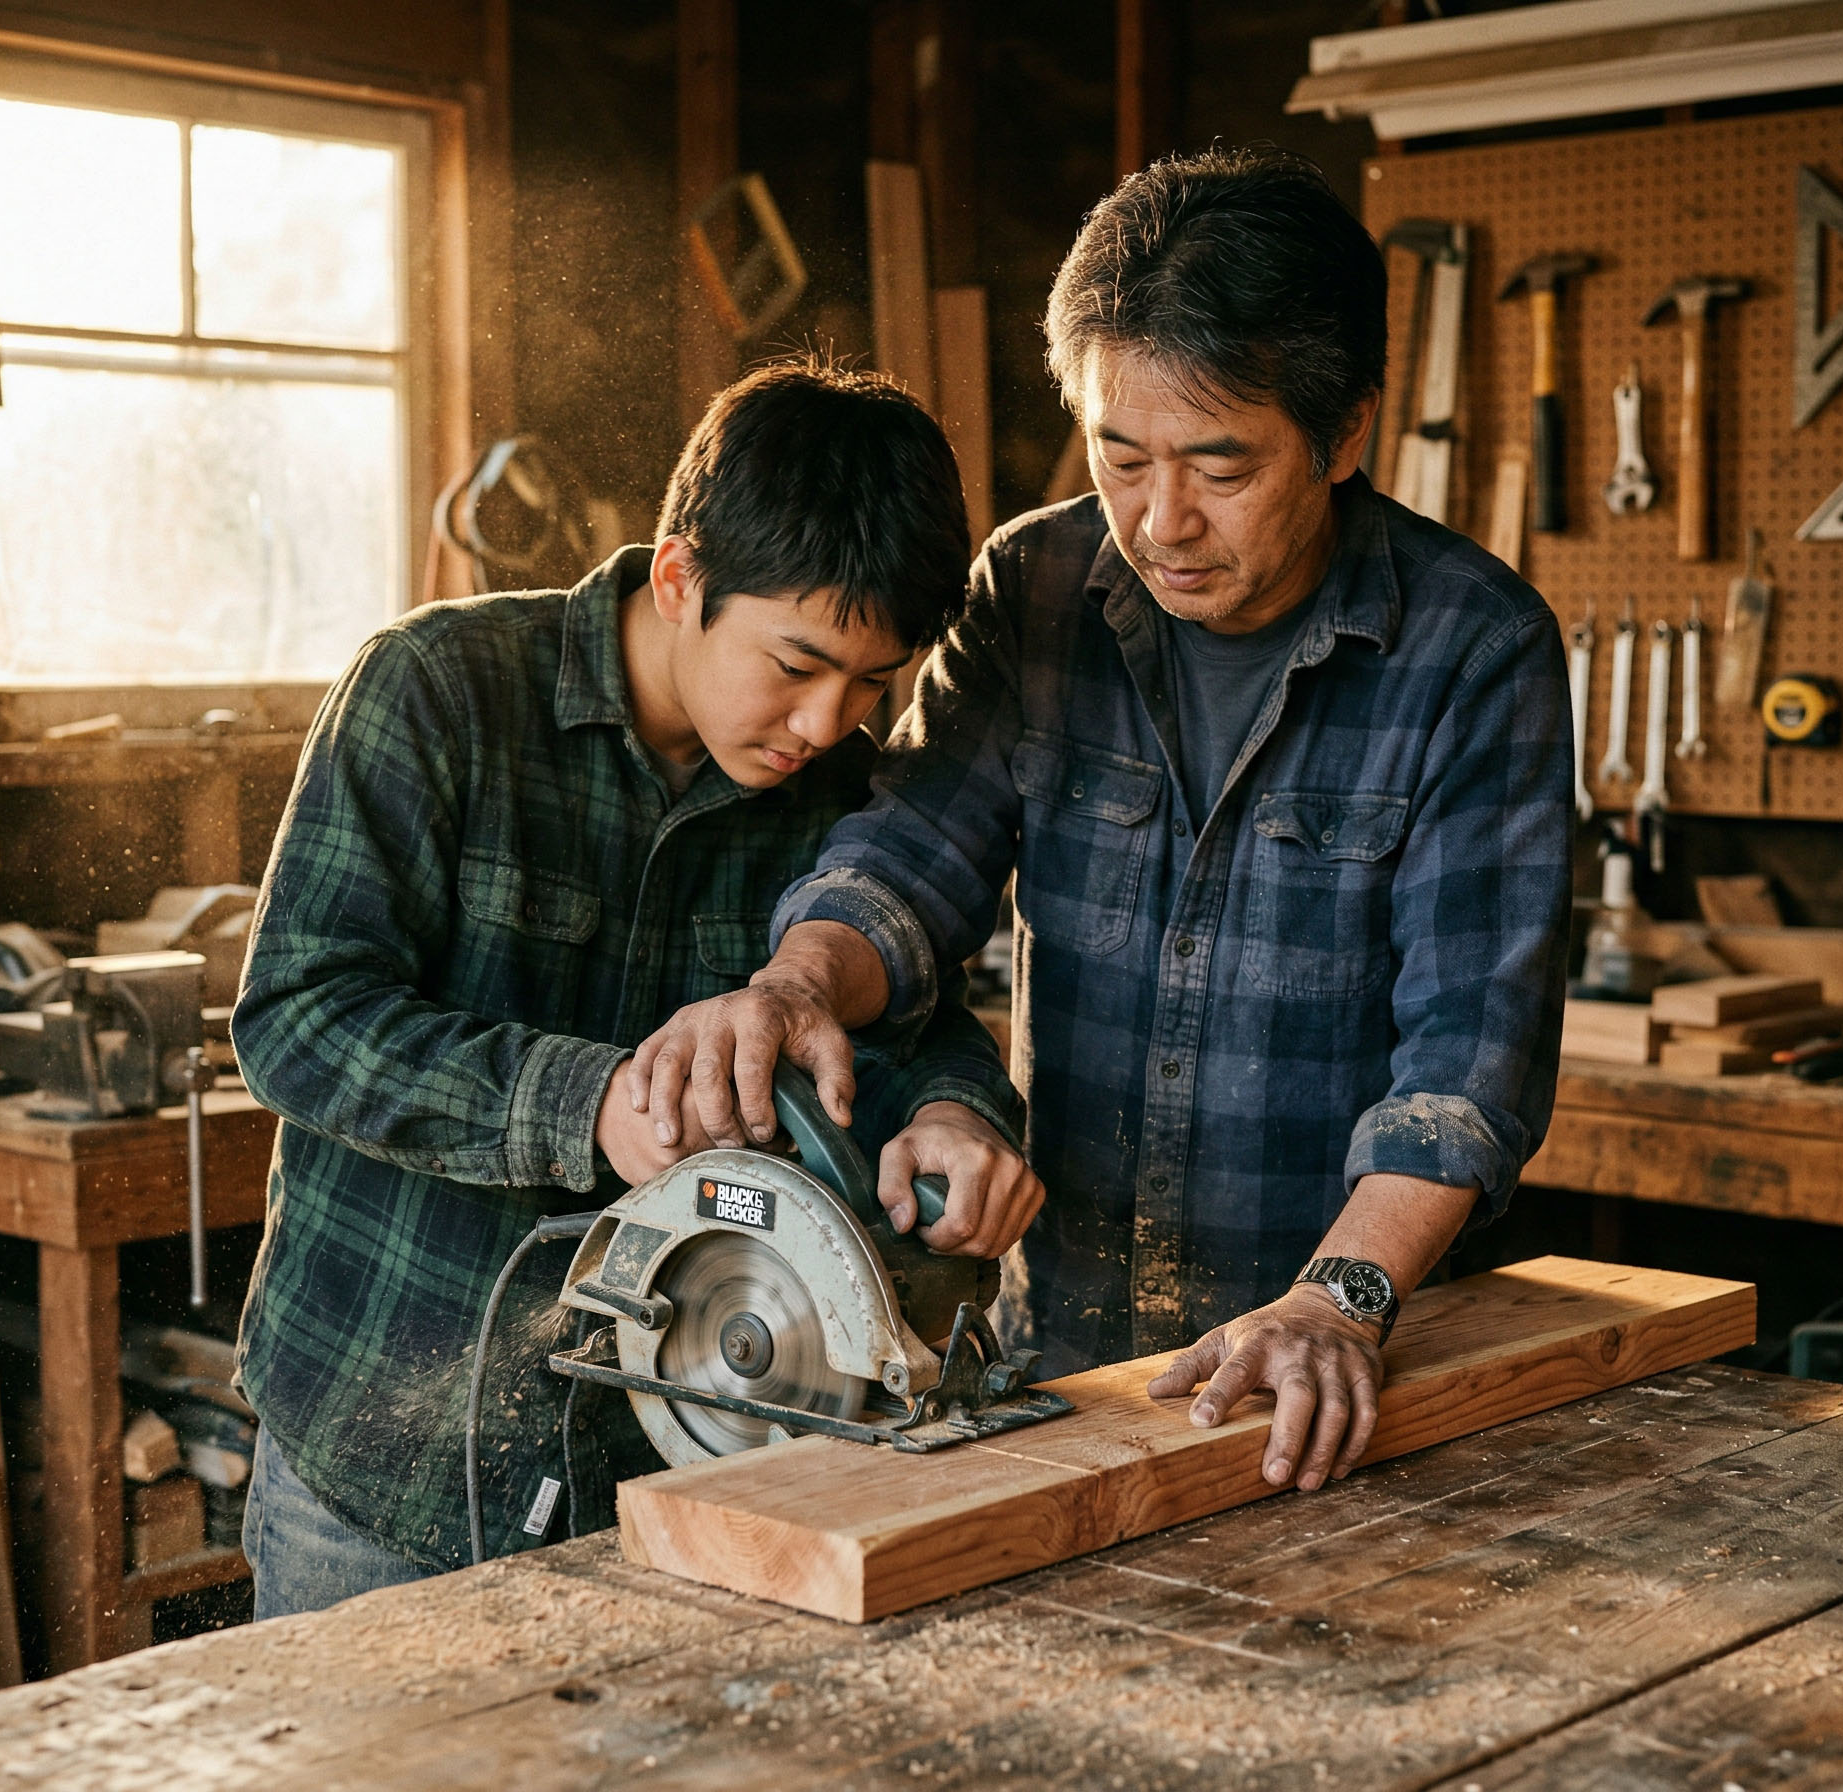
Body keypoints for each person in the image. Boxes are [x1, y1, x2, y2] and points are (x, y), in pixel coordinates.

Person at [630, 148, 1573, 1502]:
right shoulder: (1035, 586)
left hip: (1339, 1377)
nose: (1161, 520)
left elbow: (1468, 1061)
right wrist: (795, 985)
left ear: (1348, 432)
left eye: (1221, 467)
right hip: (1063, 1353)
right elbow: (911, 860)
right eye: (1119, 456)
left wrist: (1339, 1300)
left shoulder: (1475, 649)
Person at [231, 359, 1044, 1618]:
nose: (827, 723)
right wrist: (588, 1103)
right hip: (375, 1467)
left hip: (669, 1463)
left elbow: (911, 1025)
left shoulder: (831, 796)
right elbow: (296, 1017)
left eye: (872, 685)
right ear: (679, 579)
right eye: (796, 663)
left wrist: (959, 1113)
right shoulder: (435, 693)